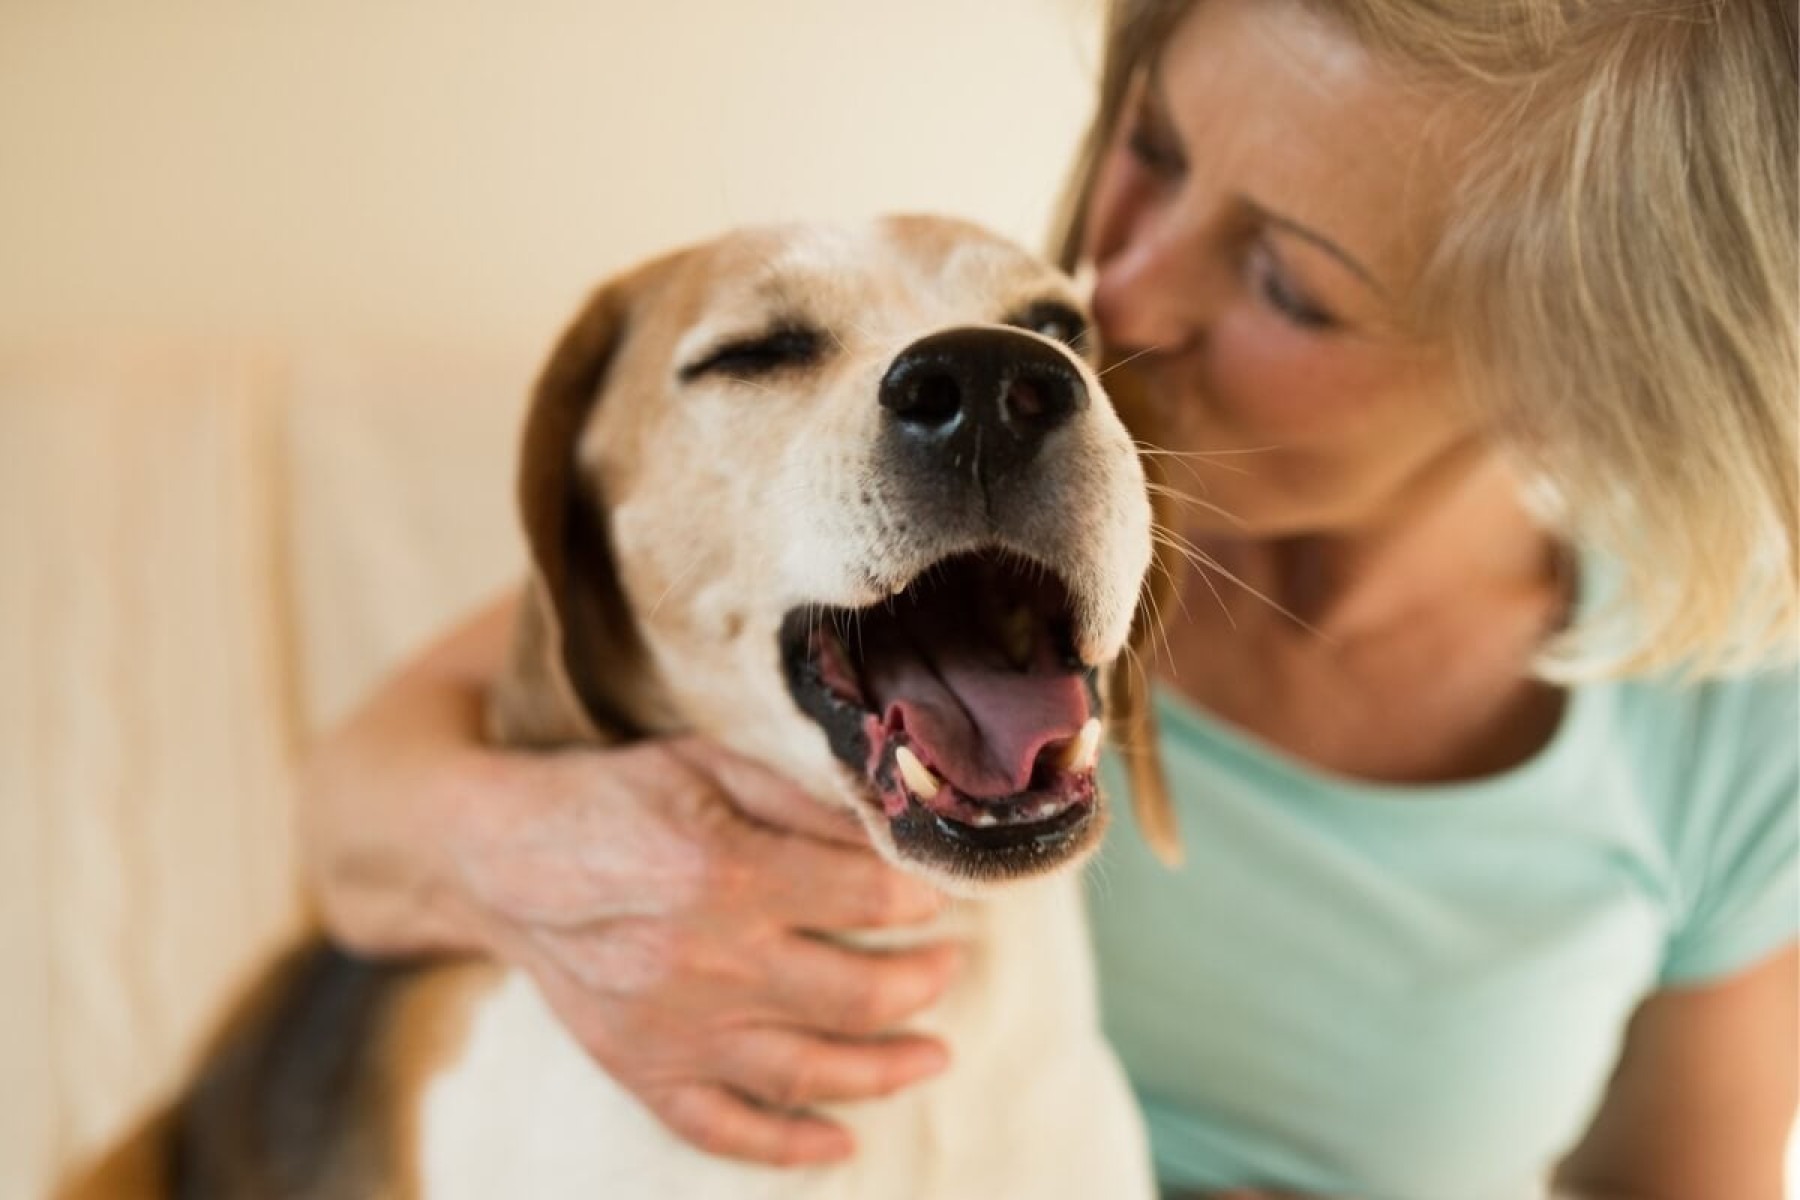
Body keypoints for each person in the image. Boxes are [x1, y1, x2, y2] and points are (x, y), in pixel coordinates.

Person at [296, 1, 1799, 1196]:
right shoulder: (931, 459)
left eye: (1287, 281)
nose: (1120, 302)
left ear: (1577, 377)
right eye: (1150, 143)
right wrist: (569, 869)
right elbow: (366, 815)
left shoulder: (1731, 728)